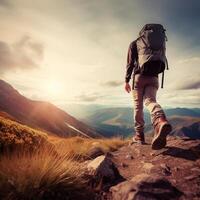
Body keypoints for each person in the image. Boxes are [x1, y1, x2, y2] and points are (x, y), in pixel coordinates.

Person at [124, 24, 172, 150]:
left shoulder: (135, 43)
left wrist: (126, 80)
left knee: (138, 106)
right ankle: (160, 120)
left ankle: (139, 136)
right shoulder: (159, 43)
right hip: (154, 77)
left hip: (139, 77)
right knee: (150, 101)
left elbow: (129, 64)